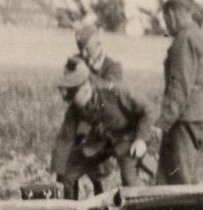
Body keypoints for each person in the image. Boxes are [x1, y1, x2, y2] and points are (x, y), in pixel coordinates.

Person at [50, 30, 152, 198]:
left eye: (71, 93)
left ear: (85, 89)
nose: (69, 100)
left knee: (129, 179)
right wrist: (55, 171)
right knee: (68, 173)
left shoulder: (115, 91)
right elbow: (65, 137)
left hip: (126, 138)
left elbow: (148, 110)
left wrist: (140, 139)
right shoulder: (76, 106)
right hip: (100, 140)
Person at [153, 0, 203, 185]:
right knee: (188, 175)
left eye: (166, 20)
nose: (166, 26)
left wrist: (162, 123)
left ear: (172, 15)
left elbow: (179, 87)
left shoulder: (183, 41)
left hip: (185, 120)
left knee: (179, 180)